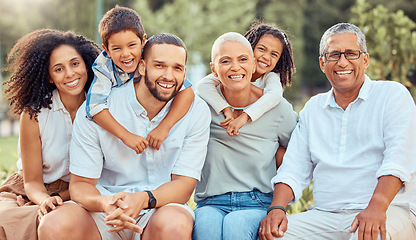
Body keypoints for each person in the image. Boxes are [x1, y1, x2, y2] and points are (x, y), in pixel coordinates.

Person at [38, 33, 211, 240]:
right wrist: (105, 203)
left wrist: (142, 199)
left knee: (175, 223)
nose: (168, 76)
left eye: (177, 68)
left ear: (185, 73)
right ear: (142, 66)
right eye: (159, 66)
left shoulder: (196, 110)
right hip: (103, 210)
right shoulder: (98, 110)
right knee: (54, 224)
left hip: (159, 208)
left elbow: (184, 186)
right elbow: (80, 185)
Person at [259, 22, 416, 240]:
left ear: (365, 60)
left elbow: (398, 160)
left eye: (351, 53)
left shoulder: (392, 95)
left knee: (368, 236)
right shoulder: (313, 109)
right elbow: (293, 169)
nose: (342, 62)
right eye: (333, 55)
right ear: (322, 63)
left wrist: (376, 207)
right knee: (273, 236)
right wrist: (276, 208)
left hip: (390, 209)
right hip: (326, 215)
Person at [193, 32, 298, 240]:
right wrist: (226, 110)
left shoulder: (277, 106)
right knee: (206, 227)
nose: (235, 67)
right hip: (211, 200)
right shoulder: (202, 105)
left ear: (251, 64)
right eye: (225, 61)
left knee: (236, 225)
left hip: (257, 199)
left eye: (242, 59)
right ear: (213, 68)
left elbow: (299, 154)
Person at [0, 29, 100, 239]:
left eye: (75, 64)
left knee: (57, 223)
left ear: (86, 65)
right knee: (5, 220)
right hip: (30, 190)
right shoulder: (34, 113)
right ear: (50, 77)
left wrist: (58, 198)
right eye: (59, 69)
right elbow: (32, 181)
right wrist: (43, 199)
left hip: (80, 193)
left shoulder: (101, 109)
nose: (70, 74)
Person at [87, 6, 195, 153]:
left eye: (132, 45)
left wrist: (164, 127)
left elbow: (187, 92)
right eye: (117, 48)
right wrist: (126, 136)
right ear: (106, 50)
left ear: (143, 41)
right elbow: (95, 107)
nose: (126, 54)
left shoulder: (152, 56)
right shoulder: (103, 67)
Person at [197, 21, 295, 137]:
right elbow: (202, 86)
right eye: (262, 49)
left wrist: (245, 116)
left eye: (274, 54)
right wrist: (225, 109)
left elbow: (275, 95)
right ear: (250, 47)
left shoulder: (270, 77)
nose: (266, 57)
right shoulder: (232, 73)